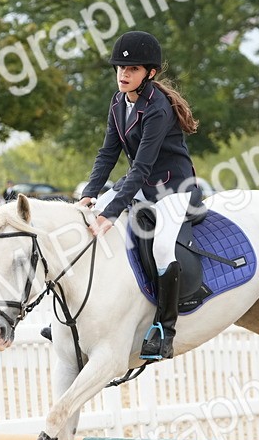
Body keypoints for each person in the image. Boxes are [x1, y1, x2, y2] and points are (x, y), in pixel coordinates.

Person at [76, 30, 202, 360]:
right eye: (119, 68)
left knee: (162, 247)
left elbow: (142, 168)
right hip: (141, 184)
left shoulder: (157, 108)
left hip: (173, 187)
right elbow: (107, 154)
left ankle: (165, 328)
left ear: (150, 73)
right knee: (86, 220)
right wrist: (90, 195)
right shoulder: (118, 103)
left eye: (131, 70)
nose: (123, 74)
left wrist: (111, 212)